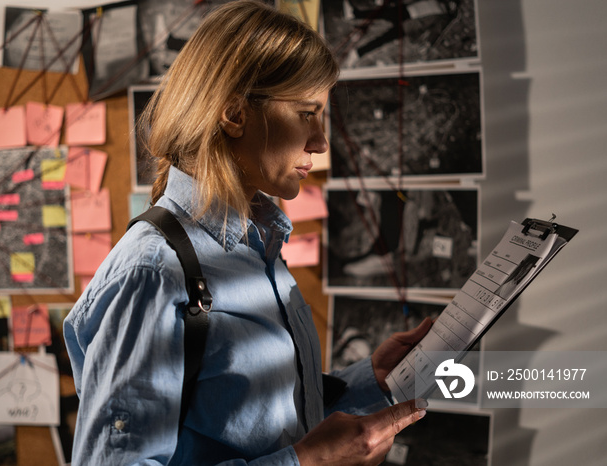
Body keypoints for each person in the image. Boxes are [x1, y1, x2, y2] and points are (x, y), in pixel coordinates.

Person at [63, 1, 432, 464]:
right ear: (235, 114)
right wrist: (307, 462)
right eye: (306, 113)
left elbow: (255, 422)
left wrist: (371, 381)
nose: (319, 142)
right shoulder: (153, 271)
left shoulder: (257, 245)